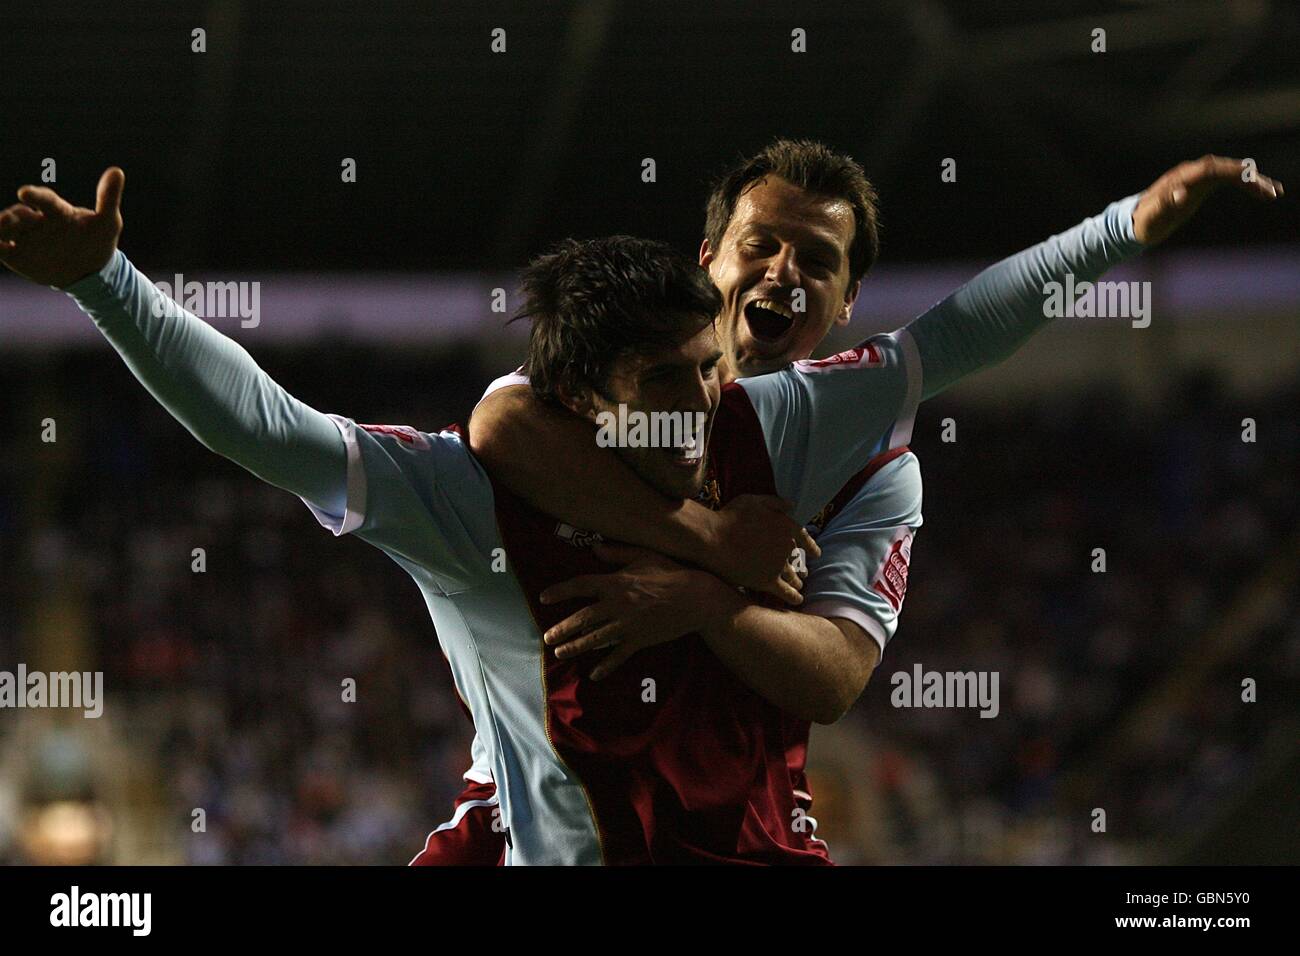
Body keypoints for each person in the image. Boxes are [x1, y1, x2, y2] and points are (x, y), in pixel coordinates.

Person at [411, 144, 1283, 863]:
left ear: (846, 301)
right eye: (761, 246)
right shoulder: (612, 369)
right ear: (706, 257)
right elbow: (503, 419)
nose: (785, 272)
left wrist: (1121, 226)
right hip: (534, 806)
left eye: (818, 262)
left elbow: (969, 325)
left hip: (735, 827)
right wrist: (710, 538)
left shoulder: (855, 439)